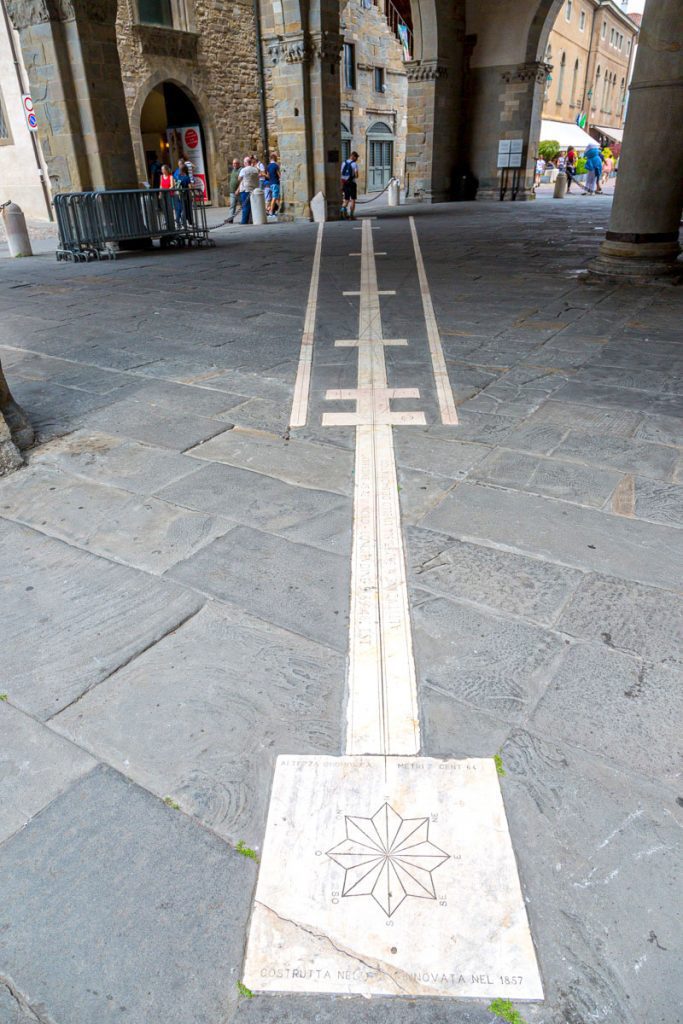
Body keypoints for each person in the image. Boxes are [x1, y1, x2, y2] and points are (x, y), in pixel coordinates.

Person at [238, 156, 260, 224]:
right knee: (253, 206)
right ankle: (251, 220)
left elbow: (239, 179)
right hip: (254, 189)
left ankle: (244, 221)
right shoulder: (256, 169)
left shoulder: (243, 170)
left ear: (246, 163)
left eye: (244, 162)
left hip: (246, 190)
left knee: (245, 206)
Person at [340, 151, 359, 219]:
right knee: (353, 199)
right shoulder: (354, 164)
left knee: (346, 199)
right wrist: (353, 175)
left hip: (345, 183)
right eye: (356, 158)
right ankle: (351, 215)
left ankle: (342, 211)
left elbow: (341, 173)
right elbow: (357, 175)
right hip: (352, 183)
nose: (356, 159)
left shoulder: (343, 163)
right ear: (353, 156)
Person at [266, 152, 280, 217]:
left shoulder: (268, 166)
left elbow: (268, 176)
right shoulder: (276, 165)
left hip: (271, 183)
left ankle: (279, 210)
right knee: (274, 198)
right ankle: (271, 211)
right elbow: (279, 175)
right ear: (274, 158)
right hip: (275, 183)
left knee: (276, 197)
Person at [227, 158, 241, 222]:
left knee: (243, 205)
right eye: (233, 163)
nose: (234, 165)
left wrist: (238, 189)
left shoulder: (240, 170)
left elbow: (242, 181)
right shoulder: (233, 170)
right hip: (232, 191)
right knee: (232, 206)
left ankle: (247, 218)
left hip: (239, 191)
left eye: (235, 163)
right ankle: (230, 219)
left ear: (238, 164)